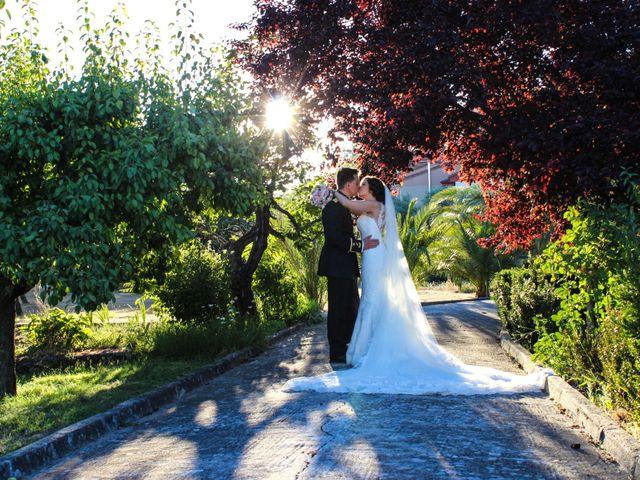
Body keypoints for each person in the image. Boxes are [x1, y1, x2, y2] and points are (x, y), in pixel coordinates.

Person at [285, 176, 552, 395]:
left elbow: (345, 202)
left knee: (372, 301)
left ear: (373, 191)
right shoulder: (368, 206)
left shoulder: (373, 206)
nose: (360, 189)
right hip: (369, 257)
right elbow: (347, 206)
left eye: (363, 185)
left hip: (373, 258)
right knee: (369, 301)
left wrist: (330, 193)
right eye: (359, 184)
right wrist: (333, 196)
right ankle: (362, 349)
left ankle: (368, 351)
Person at [317, 167, 379, 364]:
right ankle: (337, 352)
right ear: (349, 183)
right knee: (338, 310)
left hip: (346, 266)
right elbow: (335, 238)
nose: (358, 184)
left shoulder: (344, 204)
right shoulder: (333, 207)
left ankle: (349, 347)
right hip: (337, 266)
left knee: (351, 308)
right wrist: (361, 245)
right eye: (357, 181)